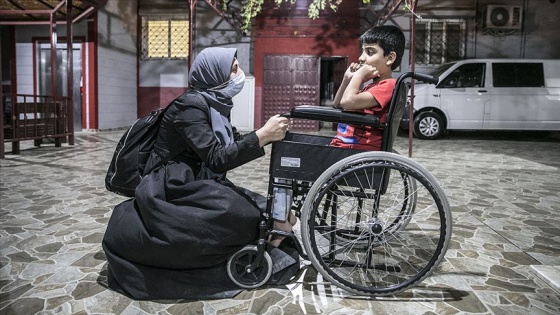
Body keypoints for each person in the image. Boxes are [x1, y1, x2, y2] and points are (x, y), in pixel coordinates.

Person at [102, 47, 299, 300]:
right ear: (214, 73)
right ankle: (260, 253)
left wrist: (266, 135)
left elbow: (230, 143)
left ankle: (267, 248)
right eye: (234, 69)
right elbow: (217, 158)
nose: (239, 74)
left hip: (198, 179)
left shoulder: (215, 103)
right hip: (171, 185)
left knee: (264, 208)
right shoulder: (189, 106)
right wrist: (262, 136)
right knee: (239, 213)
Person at [330, 25, 405, 151]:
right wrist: (347, 79)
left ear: (390, 58)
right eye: (362, 51)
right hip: (344, 147)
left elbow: (347, 102)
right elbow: (338, 104)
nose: (361, 58)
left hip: (355, 151)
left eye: (370, 52)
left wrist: (358, 76)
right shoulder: (371, 87)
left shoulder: (388, 85)